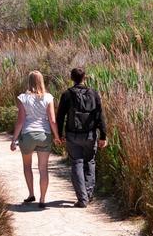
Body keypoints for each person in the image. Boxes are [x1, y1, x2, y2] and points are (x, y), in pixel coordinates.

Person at [56, 67, 108, 208]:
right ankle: (88, 194)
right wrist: (103, 135)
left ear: (72, 78)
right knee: (90, 162)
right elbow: (100, 116)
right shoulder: (94, 94)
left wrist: (59, 135)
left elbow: (60, 116)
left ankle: (82, 198)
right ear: (84, 77)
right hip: (90, 135)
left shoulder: (67, 94)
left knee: (76, 164)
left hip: (73, 135)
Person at [9, 71, 61, 209]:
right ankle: (43, 199)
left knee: (27, 166)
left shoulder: (22, 98)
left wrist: (14, 139)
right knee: (43, 169)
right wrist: (56, 137)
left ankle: (31, 194)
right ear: (41, 81)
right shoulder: (48, 97)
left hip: (28, 135)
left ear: (29, 81)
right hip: (44, 134)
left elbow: (20, 120)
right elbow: (52, 120)